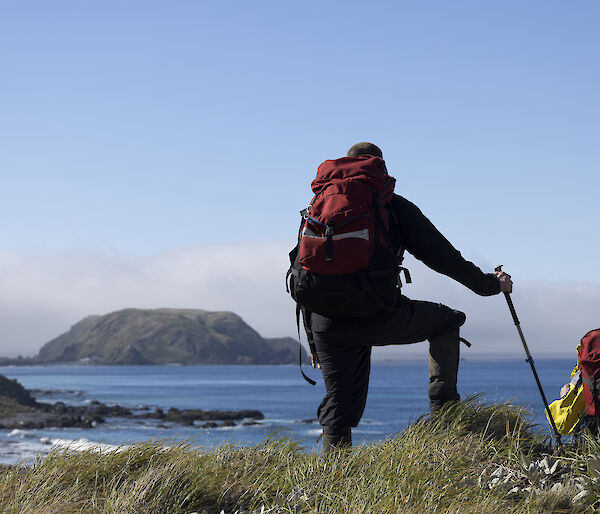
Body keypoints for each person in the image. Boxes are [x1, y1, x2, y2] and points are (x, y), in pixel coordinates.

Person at [305, 142, 513, 452]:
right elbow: (445, 258)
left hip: (326, 322)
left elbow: (304, 274)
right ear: (380, 167)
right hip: (377, 313)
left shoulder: (317, 207)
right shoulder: (392, 206)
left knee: (338, 403)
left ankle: (334, 480)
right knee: (447, 321)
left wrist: (313, 339)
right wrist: (491, 285)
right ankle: (445, 419)